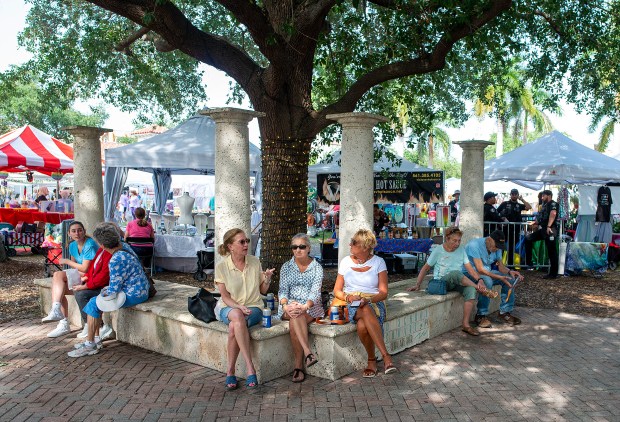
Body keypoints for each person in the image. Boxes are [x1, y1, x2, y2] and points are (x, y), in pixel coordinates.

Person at [68, 223, 150, 358]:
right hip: (141, 288)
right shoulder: (125, 246)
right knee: (95, 301)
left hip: (134, 294)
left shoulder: (115, 259)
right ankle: (95, 340)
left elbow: (113, 290)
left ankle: (90, 344)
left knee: (94, 302)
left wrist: (103, 291)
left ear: (102, 245)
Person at [215, 228, 275, 390]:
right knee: (236, 316)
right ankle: (250, 368)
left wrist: (267, 279)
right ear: (230, 246)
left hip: (253, 307)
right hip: (229, 307)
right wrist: (238, 306)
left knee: (235, 325)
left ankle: (230, 371)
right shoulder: (222, 267)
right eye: (241, 242)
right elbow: (225, 297)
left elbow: (262, 291)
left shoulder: (255, 262)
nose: (246, 244)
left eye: (247, 241)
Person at [407, 226, 494, 336]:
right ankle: (480, 289)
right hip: (441, 283)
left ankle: (466, 325)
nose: (457, 244)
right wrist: (417, 284)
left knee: (470, 289)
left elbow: (470, 269)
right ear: (447, 239)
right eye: (454, 240)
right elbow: (425, 268)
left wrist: (480, 279)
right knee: (455, 273)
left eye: (459, 241)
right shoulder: (438, 250)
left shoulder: (461, 250)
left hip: (455, 282)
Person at [332, 228, 397, 377]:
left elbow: (383, 293)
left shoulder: (379, 262)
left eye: (354, 242)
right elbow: (337, 290)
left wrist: (368, 299)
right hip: (351, 302)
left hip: (374, 301)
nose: (350, 245)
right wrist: (349, 298)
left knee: (362, 325)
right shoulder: (346, 262)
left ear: (365, 247)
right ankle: (386, 356)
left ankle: (371, 361)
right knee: (364, 309)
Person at [41, 221, 101, 338]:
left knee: (58, 276)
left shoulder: (90, 244)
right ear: (69, 233)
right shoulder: (72, 245)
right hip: (83, 276)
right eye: (73, 231)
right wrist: (78, 271)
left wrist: (67, 261)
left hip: (93, 278)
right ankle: (62, 320)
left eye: (79, 230)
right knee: (59, 285)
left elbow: (85, 267)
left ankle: (58, 313)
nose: (77, 233)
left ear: (84, 231)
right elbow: (75, 268)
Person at [278, 233, 323, 383]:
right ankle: (308, 353)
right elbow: (282, 291)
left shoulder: (317, 268)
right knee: (294, 314)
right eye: (294, 247)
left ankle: (298, 366)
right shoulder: (286, 267)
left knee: (295, 318)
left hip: (310, 307)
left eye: (302, 247)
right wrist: (285, 306)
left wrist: (304, 306)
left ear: (309, 248)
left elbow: (315, 292)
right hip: (289, 306)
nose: (298, 250)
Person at [466, 230, 525, 328]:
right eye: (496, 245)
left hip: (486, 272)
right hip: (470, 273)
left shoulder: (498, 247)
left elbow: (501, 267)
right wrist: (499, 277)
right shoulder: (474, 245)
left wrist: (510, 272)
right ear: (489, 239)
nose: (497, 248)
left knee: (510, 279)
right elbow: (480, 269)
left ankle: (504, 312)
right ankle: (481, 315)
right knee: (487, 281)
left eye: (499, 246)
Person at [524, 189, 559, 279]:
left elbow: (553, 213)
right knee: (528, 238)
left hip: (550, 230)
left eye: (543, 196)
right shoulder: (544, 205)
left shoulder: (553, 204)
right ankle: (529, 262)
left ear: (549, 195)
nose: (542, 198)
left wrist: (548, 226)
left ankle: (553, 274)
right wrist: (534, 223)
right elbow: (541, 217)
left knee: (552, 252)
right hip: (543, 229)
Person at [497, 189, 532, 265]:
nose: (514, 195)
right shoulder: (504, 203)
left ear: (518, 195)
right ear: (510, 194)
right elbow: (497, 212)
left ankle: (510, 265)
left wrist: (522, 199)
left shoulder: (519, 205)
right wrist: (501, 220)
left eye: (515, 194)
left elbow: (529, 207)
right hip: (504, 229)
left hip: (515, 230)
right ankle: (499, 264)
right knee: (501, 247)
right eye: (512, 194)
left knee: (511, 247)